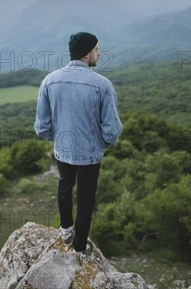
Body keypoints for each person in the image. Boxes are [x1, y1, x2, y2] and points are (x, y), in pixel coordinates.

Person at [34, 31, 123, 256]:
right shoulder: (103, 85)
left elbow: (42, 126)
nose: (99, 54)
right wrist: (103, 144)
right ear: (87, 53)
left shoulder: (50, 80)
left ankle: (65, 231)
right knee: (86, 199)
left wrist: (57, 138)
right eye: (96, 50)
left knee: (65, 186)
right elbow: (112, 130)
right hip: (90, 154)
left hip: (63, 151)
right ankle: (80, 248)